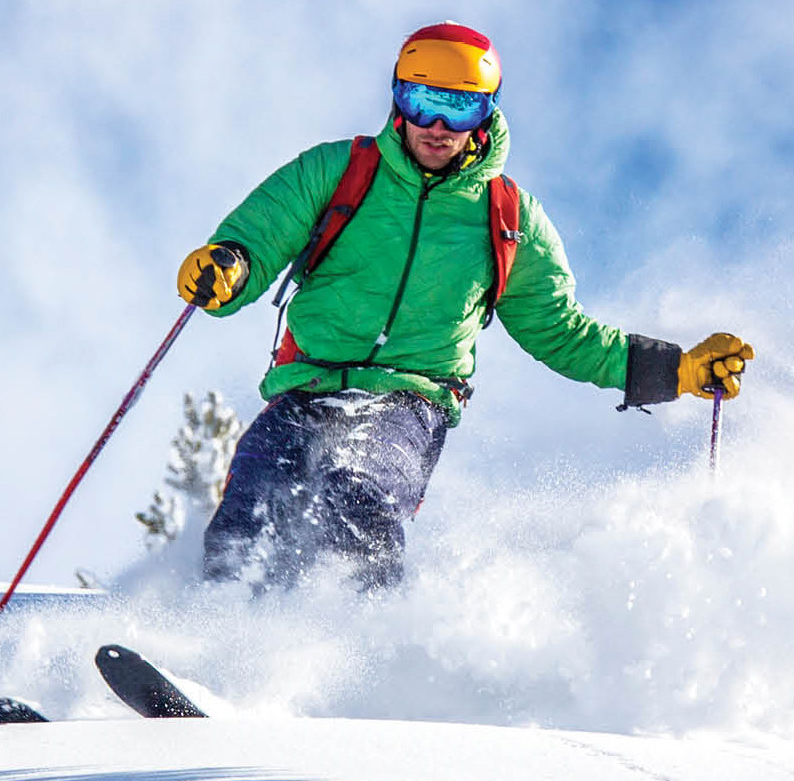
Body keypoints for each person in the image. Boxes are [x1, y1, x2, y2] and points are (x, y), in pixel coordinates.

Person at [177, 22, 753, 594]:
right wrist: (228, 266)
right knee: (251, 503)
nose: (437, 126)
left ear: (486, 113)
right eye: (423, 100)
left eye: (459, 108)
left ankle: (358, 642)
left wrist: (675, 370)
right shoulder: (339, 172)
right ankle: (218, 632)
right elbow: (258, 238)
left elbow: (561, 332)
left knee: (355, 493)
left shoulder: (506, 218)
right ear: (398, 99)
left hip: (408, 402)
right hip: (306, 387)